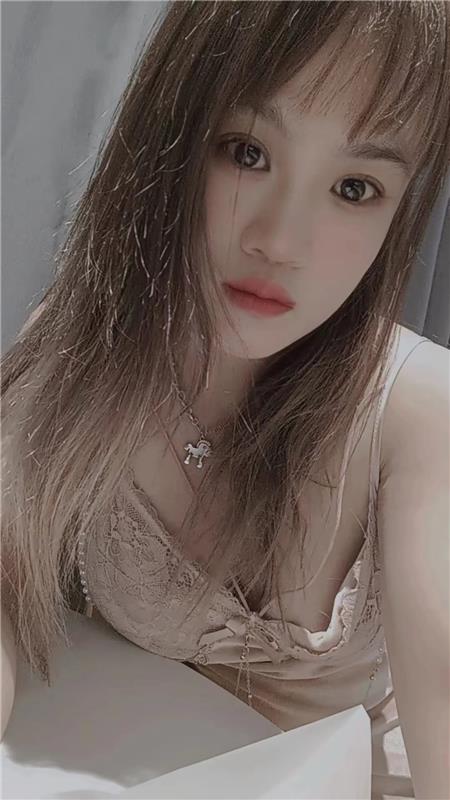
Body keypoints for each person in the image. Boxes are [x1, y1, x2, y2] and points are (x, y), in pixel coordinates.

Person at [1, 2, 449, 797]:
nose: (280, 241)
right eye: (248, 152)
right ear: (170, 137)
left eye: (355, 187)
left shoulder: (415, 412)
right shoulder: (81, 351)